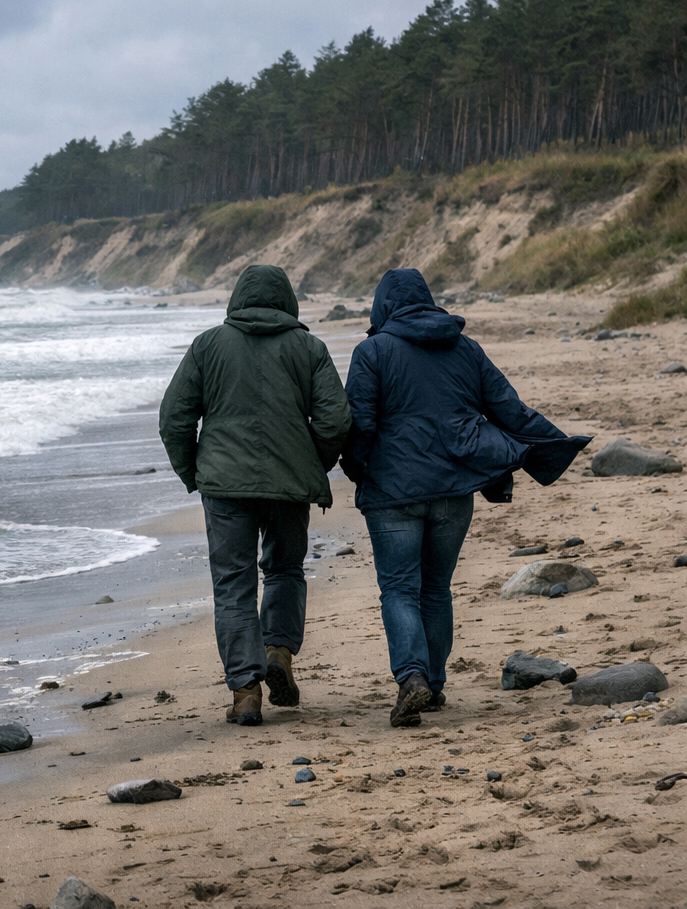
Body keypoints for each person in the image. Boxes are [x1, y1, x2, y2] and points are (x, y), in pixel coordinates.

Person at [342, 269, 589, 727]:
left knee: (399, 587)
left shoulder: (372, 351)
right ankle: (433, 685)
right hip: (455, 489)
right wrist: (556, 444)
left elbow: (360, 424)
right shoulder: (466, 348)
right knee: (435, 588)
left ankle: (411, 676)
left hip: (393, 492)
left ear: (382, 307)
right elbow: (509, 409)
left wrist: (357, 470)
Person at [160, 265, 351, 726]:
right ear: (287, 301)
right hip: (288, 486)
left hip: (225, 488)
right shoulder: (309, 347)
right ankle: (279, 651)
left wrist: (196, 472)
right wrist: (312, 464)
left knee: (233, 585)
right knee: (285, 569)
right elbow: (336, 420)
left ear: (237, 299)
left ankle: (245, 691)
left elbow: (174, 418)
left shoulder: (208, 345)